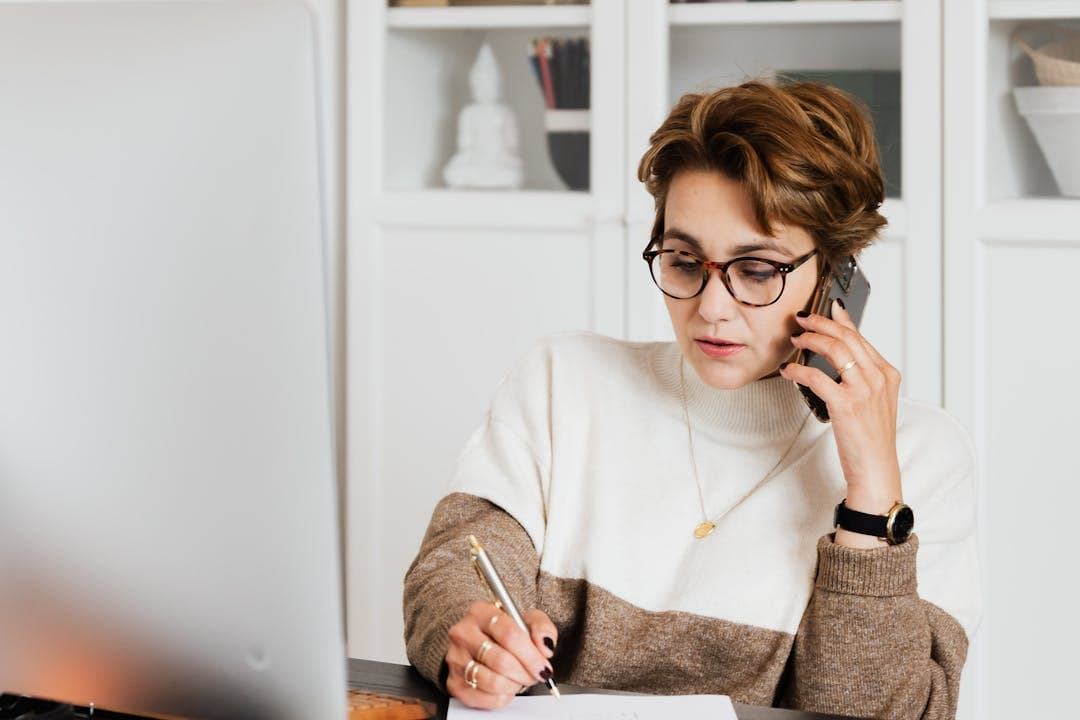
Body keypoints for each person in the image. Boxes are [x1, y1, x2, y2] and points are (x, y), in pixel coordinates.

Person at [402, 79, 981, 720]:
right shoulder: (563, 381)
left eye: (757, 270)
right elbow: (454, 571)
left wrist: (871, 504)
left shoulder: (923, 458)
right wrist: (472, 634)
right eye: (683, 260)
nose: (710, 309)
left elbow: (876, 714)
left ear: (838, 274)